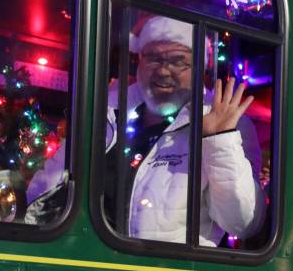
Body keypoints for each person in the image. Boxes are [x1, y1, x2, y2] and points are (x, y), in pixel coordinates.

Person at [106, 15, 266, 245]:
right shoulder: (111, 114)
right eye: (153, 58)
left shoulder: (229, 124)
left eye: (178, 61)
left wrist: (219, 141)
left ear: (199, 68)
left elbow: (242, 223)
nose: (163, 71)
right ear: (139, 61)